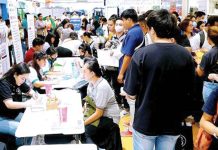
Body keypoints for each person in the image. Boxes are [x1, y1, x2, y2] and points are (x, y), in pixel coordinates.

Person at [123, 9, 195, 150]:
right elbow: (190, 90)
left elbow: (131, 92)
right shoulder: (185, 55)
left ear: (153, 30)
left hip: (146, 120)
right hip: (172, 120)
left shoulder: (141, 55)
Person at [81, 58, 120, 144]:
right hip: (98, 112)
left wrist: (83, 123)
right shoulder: (91, 83)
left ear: (92, 73)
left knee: (86, 131)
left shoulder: (102, 87)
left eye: (84, 71)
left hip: (109, 117)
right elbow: (88, 102)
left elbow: (99, 113)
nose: (82, 74)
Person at [0, 63, 36, 146]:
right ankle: (21, 147)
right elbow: (9, 104)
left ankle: (28, 146)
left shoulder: (20, 80)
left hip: (13, 115)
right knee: (23, 129)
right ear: (15, 74)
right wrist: (26, 104)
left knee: (32, 123)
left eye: (25, 79)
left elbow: (30, 91)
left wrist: (35, 95)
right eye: (22, 78)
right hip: (1, 118)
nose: (23, 81)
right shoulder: (3, 83)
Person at [196, 26, 218, 102]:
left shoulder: (208, 55)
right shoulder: (209, 53)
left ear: (209, 39)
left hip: (211, 86)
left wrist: (199, 63)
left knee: (210, 112)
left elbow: (200, 73)